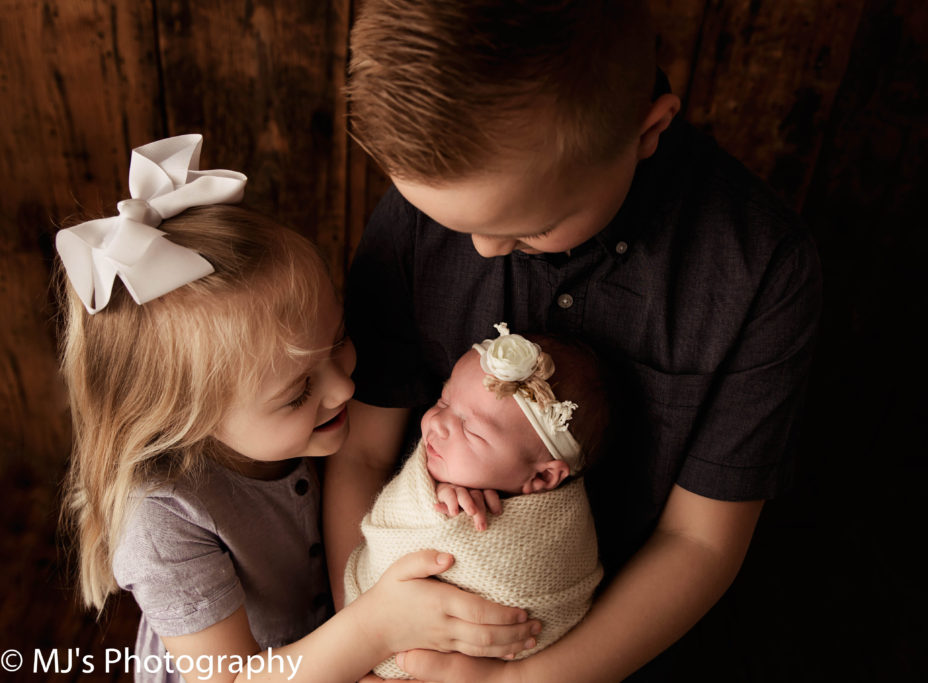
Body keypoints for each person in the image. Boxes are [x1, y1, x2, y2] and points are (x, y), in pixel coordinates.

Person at [326, 2, 822, 681]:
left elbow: (699, 542)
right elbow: (361, 450)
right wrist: (363, 631)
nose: (480, 247)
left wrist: (513, 681)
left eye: (528, 229)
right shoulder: (416, 219)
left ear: (647, 131)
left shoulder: (758, 267)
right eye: (446, 220)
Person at [56, 135, 540, 683]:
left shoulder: (315, 426)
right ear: (183, 423)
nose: (341, 389)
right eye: (296, 392)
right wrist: (376, 627)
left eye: (338, 341)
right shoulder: (162, 519)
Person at [344, 324, 608, 679]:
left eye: (471, 429)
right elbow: (389, 528)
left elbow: (544, 595)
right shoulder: (438, 474)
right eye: (443, 400)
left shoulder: (558, 530)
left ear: (542, 478)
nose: (437, 422)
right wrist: (431, 498)